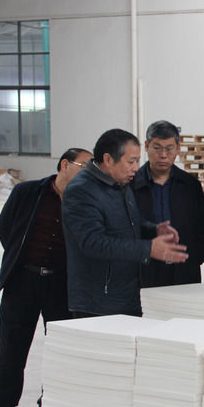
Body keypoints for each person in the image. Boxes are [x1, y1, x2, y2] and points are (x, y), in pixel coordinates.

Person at [0, 148, 92, 407]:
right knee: (11, 351)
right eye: (84, 166)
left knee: (58, 351)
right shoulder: (28, 192)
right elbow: (7, 229)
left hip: (61, 285)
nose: (89, 173)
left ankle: (49, 405)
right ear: (64, 165)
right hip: (23, 281)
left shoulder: (85, 200)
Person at [62, 128, 188, 317]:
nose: (136, 168)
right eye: (131, 161)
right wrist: (149, 249)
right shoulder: (81, 191)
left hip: (127, 293)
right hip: (96, 301)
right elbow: (92, 242)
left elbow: (128, 223)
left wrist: (154, 230)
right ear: (108, 159)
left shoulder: (119, 183)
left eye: (137, 161)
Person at [132, 120, 204, 287]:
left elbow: (202, 226)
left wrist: (196, 255)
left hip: (184, 268)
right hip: (143, 269)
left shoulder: (190, 185)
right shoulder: (131, 185)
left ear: (178, 148)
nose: (163, 155)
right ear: (146, 146)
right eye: (157, 148)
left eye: (169, 148)